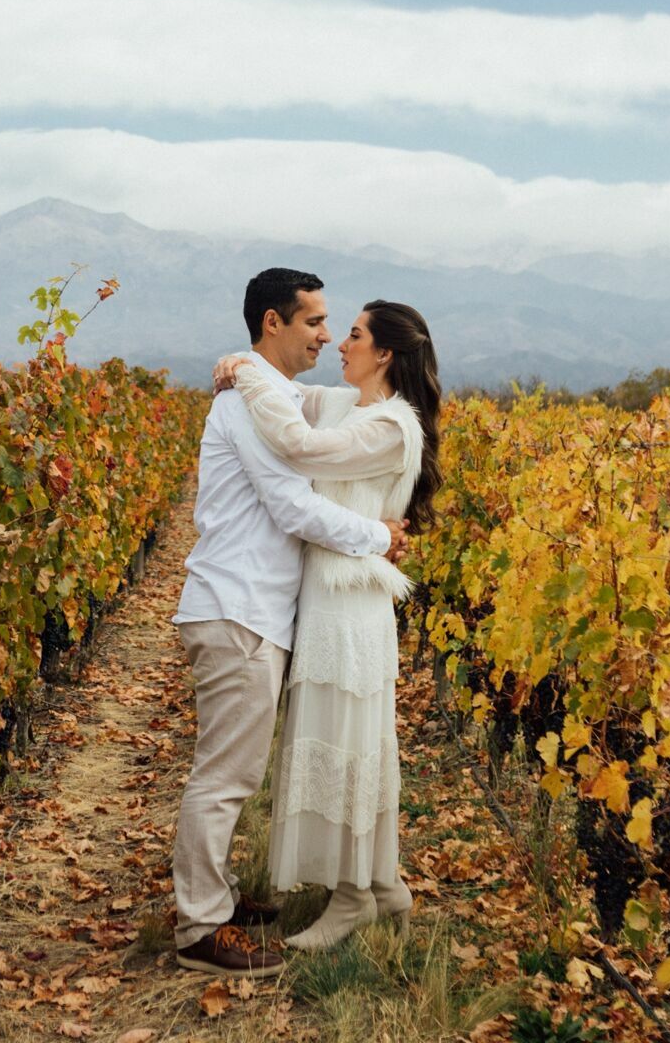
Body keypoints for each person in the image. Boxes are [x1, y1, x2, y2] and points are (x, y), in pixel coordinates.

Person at [170, 269, 409, 979]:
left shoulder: (266, 393)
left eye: (334, 324)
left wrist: (239, 365)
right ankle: (199, 929)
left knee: (232, 772)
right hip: (239, 610)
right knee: (225, 778)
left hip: (251, 610)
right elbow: (293, 506)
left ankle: (214, 900)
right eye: (313, 322)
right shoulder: (249, 405)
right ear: (272, 322)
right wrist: (379, 538)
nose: (326, 335)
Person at [213, 299, 441, 951]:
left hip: (351, 608)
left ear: (386, 354)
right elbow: (296, 402)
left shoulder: (393, 428)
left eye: (355, 334)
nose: (340, 344)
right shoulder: (351, 406)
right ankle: (382, 885)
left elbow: (300, 446)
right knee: (346, 739)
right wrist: (247, 363)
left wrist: (248, 374)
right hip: (329, 599)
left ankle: (352, 898)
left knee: (346, 742)